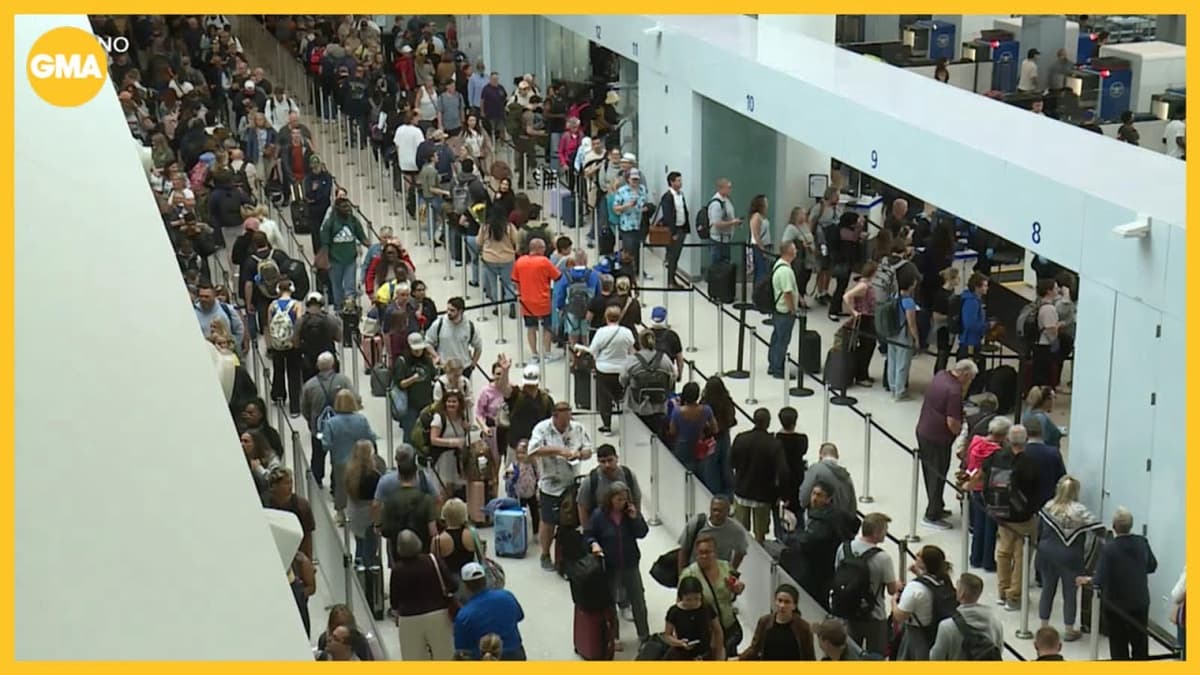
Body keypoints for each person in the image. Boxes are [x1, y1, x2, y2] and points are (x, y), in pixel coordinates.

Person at [1080, 507, 1159, 660]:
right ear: (1131, 525)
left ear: (1114, 526)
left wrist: (1088, 580)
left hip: (1117, 604)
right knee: (1140, 643)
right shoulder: (1142, 542)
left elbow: (1100, 580)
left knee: (1118, 643)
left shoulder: (1110, 548)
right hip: (1140, 601)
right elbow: (1152, 565)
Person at [583, 480, 651, 648]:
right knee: (610, 602)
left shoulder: (630, 514)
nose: (622, 503)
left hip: (630, 563)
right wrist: (593, 544)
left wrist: (636, 518)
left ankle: (644, 635)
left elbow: (642, 533)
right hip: (610, 566)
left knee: (638, 601)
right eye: (618, 499)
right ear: (610, 499)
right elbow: (588, 534)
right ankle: (614, 636)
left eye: (624, 499)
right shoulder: (599, 515)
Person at [528, 401, 593, 571]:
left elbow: (588, 450)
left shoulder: (577, 428)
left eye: (569, 419)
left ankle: (567, 555)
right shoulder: (542, 429)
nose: (566, 424)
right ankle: (545, 554)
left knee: (571, 521)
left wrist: (578, 454)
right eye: (563, 421)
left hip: (572, 483)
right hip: (550, 484)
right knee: (548, 521)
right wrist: (558, 451)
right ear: (555, 416)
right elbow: (532, 451)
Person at [1036, 475, 1103, 642]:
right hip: (1071, 557)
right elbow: (1100, 530)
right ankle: (1069, 629)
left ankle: (1044, 626)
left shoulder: (1048, 506)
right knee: (1070, 593)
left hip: (1047, 554)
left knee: (1047, 590)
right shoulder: (1080, 510)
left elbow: (1039, 530)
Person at [915, 359, 978, 530]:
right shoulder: (955, 391)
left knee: (932, 472)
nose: (969, 382)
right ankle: (932, 515)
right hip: (937, 438)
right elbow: (952, 422)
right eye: (970, 378)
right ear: (964, 374)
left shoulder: (941, 375)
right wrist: (961, 433)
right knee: (937, 474)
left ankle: (937, 506)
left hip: (924, 430)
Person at [986, 425, 1041, 611]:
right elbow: (1037, 490)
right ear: (1025, 441)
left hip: (1002, 512)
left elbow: (985, 475)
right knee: (1021, 557)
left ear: (1008, 440)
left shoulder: (998, 456)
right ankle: (1014, 595)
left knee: (1003, 552)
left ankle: (1002, 592)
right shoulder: (1031, 463)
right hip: (1024, 516)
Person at [832, 513, 901, 655]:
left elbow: (837, 572)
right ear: (876, 532)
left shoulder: (844, 548)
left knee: (849, 653)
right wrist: (898, 584)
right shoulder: (883, 558)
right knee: (876, 655)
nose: (886, 533)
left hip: (847, 609)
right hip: (874, 615)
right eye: (884, 530)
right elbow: (891, 590)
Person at [390, 530, 456, 660]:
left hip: (409, 618)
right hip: (438, 614)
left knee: (413, 659)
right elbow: (453, 585)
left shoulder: (397, 570)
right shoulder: (433, 560)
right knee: (445, 657)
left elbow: (394, 601)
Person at [574, 304, 636, 435]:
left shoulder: (601, 332)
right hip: (622, 369)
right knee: (624, 396)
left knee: (604, 398)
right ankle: (628, 423)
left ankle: (607, 426)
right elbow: (631, 351)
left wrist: (580, 347)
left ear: (606, 317)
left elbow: (592, 350)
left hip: (604, 369)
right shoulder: (627, 332)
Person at [679, 534, 745, 658]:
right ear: (696, 553)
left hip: (728, 625)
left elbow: (736, 586)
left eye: (708, 552)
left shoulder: (725, 566)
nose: (704, 556)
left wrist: (738, 588)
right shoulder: (689, 574)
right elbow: (680, 605)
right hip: (706, 631)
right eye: (701, 552)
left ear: (715, 552)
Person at [730, 408, 788, 544]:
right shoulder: (774, 444)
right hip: (763, 495)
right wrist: (782, 494)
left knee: (740, 531)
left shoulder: (741, 438)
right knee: (760, 534)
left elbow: (731, 461)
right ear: (768, 423)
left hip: (742, 490)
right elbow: (783, 472)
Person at [318, 390, 377, 521]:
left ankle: (340, 513)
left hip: (339, 460)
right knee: (358, 484)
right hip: (359, 459)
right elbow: (370, 436)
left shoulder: (331, 423)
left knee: (340, 486)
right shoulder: (361, 419)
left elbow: (326, 445)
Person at [961, 416, 1010, 571]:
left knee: (978, 525)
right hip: (990, 491)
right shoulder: (998, 452)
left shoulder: (975, 442)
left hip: (974, 488)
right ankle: (988, 561)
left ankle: (975, 557)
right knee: (991, 527)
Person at [892, 545, 957, 660]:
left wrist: (893, 601)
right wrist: (919, 573)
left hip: (917, 632)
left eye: (919, 555)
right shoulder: (945, 579)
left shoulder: (914, 588)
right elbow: (931, 585)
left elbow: (899, 616)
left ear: (924, 563)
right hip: (936, 628)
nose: (916, 555)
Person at [454, 562, 527, 660]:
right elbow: (520, 616)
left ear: (464, 585)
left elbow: (462, 650)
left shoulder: (464, 616)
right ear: (486, 580)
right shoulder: (507, 596)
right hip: (516, 656)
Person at [929, 573, 1004, 660]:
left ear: (961, 593)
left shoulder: (947, 627)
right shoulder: (995, 621)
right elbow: (999, 649)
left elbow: (936, 658)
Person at [511, 238, 563, 362]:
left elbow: (514, 281)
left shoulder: (520, 261)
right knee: (547, 328)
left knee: (531, 328)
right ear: (538, 249)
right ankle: (547, 353)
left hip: (526, 302)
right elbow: (557, 276)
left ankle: (534, 354)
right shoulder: (544, 261)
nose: (545, 250)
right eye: (543, 248)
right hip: (543, 301)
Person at [735, 583, 817, 660]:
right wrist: (739, 659)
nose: (782, 606)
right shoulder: (764, 622)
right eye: (780, 601)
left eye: (787, 602)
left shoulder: (803, 627)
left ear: (794, 606)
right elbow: (755, 648)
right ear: (775, 602)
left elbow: (809, 657)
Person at [667, 382, 721, 495]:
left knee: (682, 472)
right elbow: (715, 429)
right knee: (700, 474)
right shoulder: (706, 410)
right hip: (700, 446)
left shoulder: (677, 412)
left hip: (682, 446)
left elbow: (672, 431)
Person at [620, 328, 676, 435]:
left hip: (637, 404)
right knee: (657, 433)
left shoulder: (632, 360)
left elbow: (623, 379)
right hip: (659, 405)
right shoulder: (664, 359)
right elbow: (672, 377)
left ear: (640, 342)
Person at [576, 443, 642, 525]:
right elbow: (582, 506)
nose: (607, 465)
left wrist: (636, 521)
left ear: (617, 458)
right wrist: (587, 532)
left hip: (626, 526)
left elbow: (637, 499)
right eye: (603, 461)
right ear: (598, 462)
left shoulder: (628, 475)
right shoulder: (590, 481)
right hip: (601, 528)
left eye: (610, 460)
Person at [663, 577, 723, 660]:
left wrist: (718, 653)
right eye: (688, 600)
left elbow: (718, 630)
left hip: (705, 654)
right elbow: (667, 636)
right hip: (683, 655)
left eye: (696, 598)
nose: (693, 603)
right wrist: (680, 643)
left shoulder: (706, 608)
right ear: (681, 597)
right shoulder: (674, 612)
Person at [797, 443, 857, 518]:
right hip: (842, 524)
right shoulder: (847, 476)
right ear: (837, 456)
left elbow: (803, 499)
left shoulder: (816, 469)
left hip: (820, 520)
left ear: (820, 455)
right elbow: (853, 508)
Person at [767, 241, 800, 379]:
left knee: (776, 337)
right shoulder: (786, 271)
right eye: (794, 249)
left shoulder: (779, 265)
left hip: (777, 309)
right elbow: (787, 293)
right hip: (785, 311)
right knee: (782, 340)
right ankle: (778, 368)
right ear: (789, 252)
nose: (797, 251)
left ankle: (772, 363)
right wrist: (792, 309)